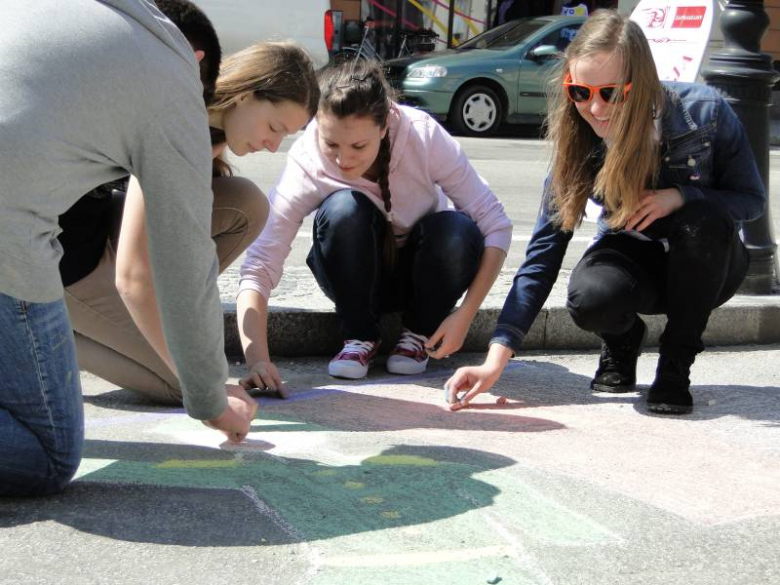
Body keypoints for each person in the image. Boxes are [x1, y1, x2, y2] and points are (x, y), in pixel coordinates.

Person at [446, 10, 765, 415]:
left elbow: (750, 200)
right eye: (580, 91)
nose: (594, 108)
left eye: (611, 93)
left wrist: (681, 196)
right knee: (590, 298)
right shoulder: (579, 140)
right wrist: (495, 359)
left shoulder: (705, 112)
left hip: (709, 263)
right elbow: (542, 256)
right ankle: (623, 340)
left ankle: (674, 367)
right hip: (634, 254)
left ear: (642, 83)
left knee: (701, 222)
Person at [0, 0, 251, 497]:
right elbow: (183, 258)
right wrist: (211, 399)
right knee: (48, 454)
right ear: (196, 61)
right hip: (10, 233)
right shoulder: (172, 75)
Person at [59, 33, 319, 404]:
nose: (273, 146)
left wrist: (251, 357)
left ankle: (121, 324)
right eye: (274, 128)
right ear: (245, 96)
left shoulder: (210, 130)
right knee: (185, 384)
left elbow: (185, 247)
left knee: (246, 204)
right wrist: (201, 380)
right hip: (61, 258)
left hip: (100, 224)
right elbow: (132, 276)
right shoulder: (177, 121)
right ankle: (45, 325)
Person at [237, 60, 512, 389]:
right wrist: (258, 360)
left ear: (384, 127)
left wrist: (465, 315)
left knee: (458, 230)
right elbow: (260, 264)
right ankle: (358, 336)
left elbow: (496, 224)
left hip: (423, 277)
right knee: (343, 209)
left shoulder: (421, 134)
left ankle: (418, 335)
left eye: (358, 146)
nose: (343, 160)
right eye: (331, 144)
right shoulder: (306, 159)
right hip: (352, 277)